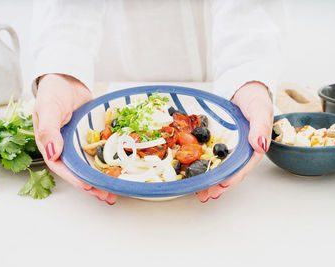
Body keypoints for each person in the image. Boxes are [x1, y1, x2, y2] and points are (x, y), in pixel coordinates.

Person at [31, 0, 282, 204]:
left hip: (214, 67)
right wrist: (62, 70)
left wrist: (248, 76)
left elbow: (247, 8)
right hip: (116, 65)